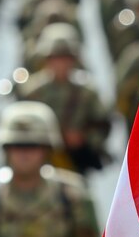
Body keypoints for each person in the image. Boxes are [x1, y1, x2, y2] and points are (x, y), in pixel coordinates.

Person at [0, 101, 100, 236]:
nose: (24, 154)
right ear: (6, 150)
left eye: (32, 146)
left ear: (46, 150)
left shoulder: (73, 197)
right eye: (17, 146)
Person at [19, 23, 112, 175]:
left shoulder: (87, 92)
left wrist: (84, 138)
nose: (61, 63)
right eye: (55, 57)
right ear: (46, 59)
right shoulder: (31, 91)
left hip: (75, 160)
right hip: (39, 160)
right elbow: (19, 128)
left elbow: (103, 124)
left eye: (66, 57)